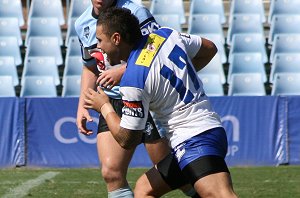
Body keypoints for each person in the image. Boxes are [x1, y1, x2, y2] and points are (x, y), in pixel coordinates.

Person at [83, 7, 238, 198]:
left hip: (195, 139)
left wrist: (104, 106)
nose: (99, 47)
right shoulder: (165, 34)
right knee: (144, 189)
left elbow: (127, 139)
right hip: (203, 130)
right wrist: (179, 80)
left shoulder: (133, 79)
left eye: (100, 40)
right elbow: (209, 48)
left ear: (116, 39)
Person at [74, 0, 198, 197]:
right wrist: (82, 105)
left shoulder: (136, 12)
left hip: (145, 96)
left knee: (174, 174)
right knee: (111, 173)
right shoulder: (81, 24)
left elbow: (157, 51)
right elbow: (90, 66)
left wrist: (123, 71)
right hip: (113, 101)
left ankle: (209, 192)